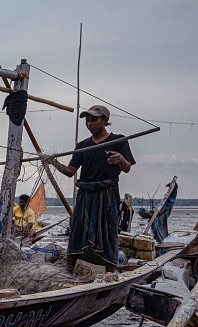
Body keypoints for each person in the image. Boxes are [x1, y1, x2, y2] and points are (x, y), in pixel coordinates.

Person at [48, 105, 135, 273]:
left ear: (105, 120)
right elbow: (70, 172)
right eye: (87, 120)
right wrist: (52, 162)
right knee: (77, 230)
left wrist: (120, 159)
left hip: (107, 193)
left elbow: (127, 168)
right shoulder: (82, 145)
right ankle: (68, 270)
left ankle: (110, 273)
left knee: (108, 230)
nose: (89, 123)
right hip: (85, 194)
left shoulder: (118, 140)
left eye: (94, 119)